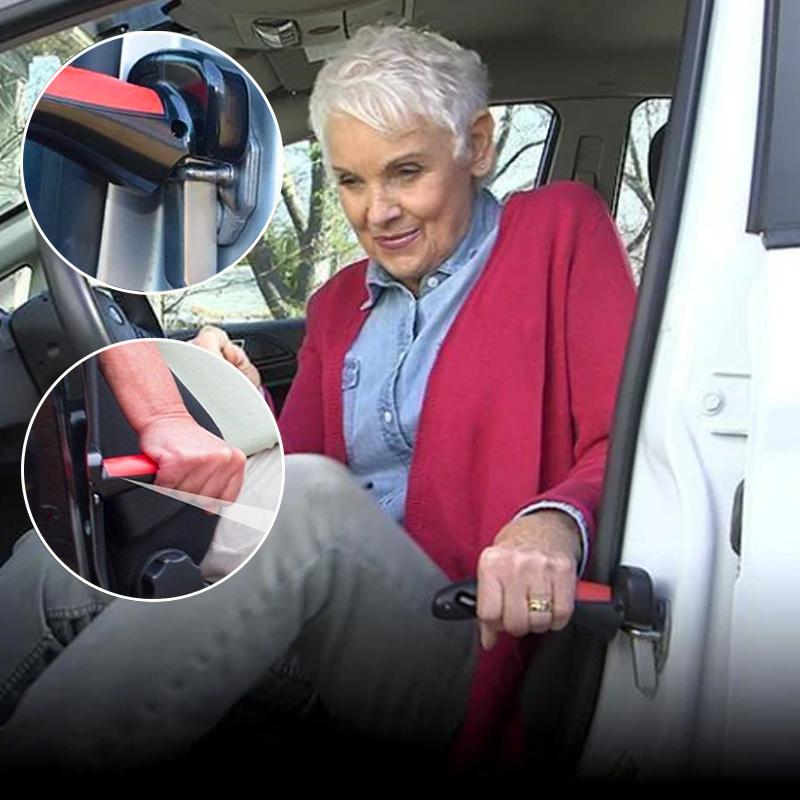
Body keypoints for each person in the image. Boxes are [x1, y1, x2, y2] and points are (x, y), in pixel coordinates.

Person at [0, 25, 635, 775]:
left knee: (310, 502)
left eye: (406, 172)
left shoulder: (557, 233)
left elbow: (624, 440)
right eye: (351, 182)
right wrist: (237, 407)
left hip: (465, 638)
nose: (377, 212)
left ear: (477, 145)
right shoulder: (337, 304)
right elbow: (294, 475)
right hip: (324, 628)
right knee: (69, 555)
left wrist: (552, 523)